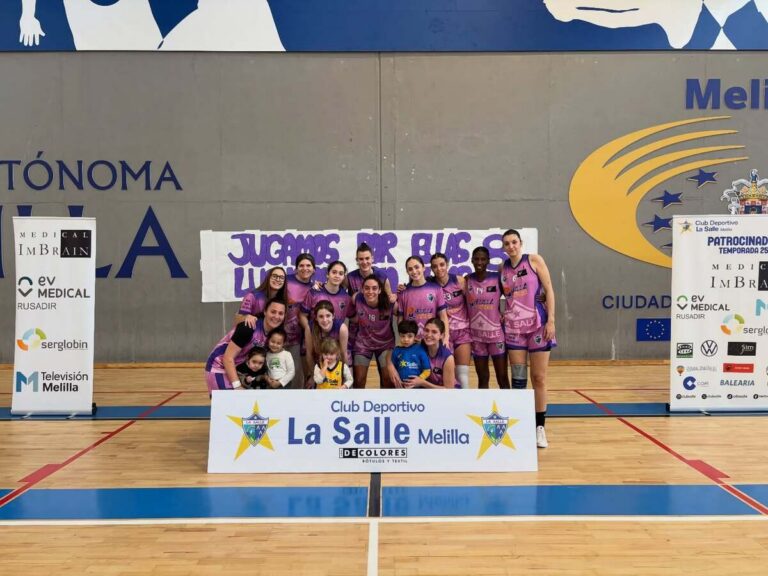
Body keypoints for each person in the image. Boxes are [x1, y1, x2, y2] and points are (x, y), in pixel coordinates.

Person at [500, 229, 556, 449]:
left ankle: (539, 427)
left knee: (538, 378)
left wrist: (551, 320)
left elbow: (549, 290)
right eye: (507, 243)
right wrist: (501, 313)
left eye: (514, 242)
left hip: (537, 326)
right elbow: (500, 296)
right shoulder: (502, 269)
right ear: (503, 247)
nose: (511, 246)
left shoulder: (533, 260)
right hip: (514, 329)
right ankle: (521, 426)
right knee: (519, 380)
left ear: (520, 243)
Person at [204, 298, 286, 393]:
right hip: (218, 367)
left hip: (236, 370)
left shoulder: (272, 335)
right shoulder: (249, 327)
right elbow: (227, 358)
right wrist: (237, 386)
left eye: (281, 313)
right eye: (273, 312)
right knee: (230, 401)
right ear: (265, 312)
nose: (276, 316)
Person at [466, 246, 509, 389]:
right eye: (476, 259)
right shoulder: (467, 280)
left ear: (488, 261)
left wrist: (505, 312)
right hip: (477, 338)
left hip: (496, 336)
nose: (479, 262)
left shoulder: (497, 278)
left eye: (483, 259)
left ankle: (507, 403)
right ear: (472, 260)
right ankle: (483, 404)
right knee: (483, 377)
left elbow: (514, 295)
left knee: (502, 376)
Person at [429, 253, 471, 389]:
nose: (439, 268)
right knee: (448, 376)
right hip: (443, 335)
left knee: (462, 375)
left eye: (442, 265)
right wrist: (402, 288)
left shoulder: (459, 281)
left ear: (447, 265)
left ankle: (465, 402)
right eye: (435, 266)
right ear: (431, 268)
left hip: (462, 331)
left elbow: (473, 303)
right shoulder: (429, 284)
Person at [349, 276, 395, 389]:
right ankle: (358, 400)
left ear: (379, 290)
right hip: (363, 344)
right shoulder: (356, 298)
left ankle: (386, 400)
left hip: (385, 344)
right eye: (367, 288)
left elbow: (403, 315)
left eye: (374, 288)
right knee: (359, 379)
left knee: (388, 379)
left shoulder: (390, 302)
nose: (370, 291)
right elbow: (349, 315)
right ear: (362, 289)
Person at [396, 255, 449, 345]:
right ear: (407, 272)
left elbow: (443, 316)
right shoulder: (403, 292)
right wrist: (406, 337)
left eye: (417, 267)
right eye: (410, 269)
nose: (414, 271)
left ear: (423, 268)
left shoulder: (436, 289)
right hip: (412, 342)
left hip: (431, 341)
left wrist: (446, 337)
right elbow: (400, 319)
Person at [391, 317, 457, 389]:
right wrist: (391, 368)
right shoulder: (418, 346)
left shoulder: (447, 358)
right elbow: (396, 352)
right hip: (422, 390)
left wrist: (422, 382)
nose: (429, 335)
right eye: (426, 330)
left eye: (434, 332)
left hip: (444, 393)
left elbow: (449, 389)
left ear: (442, 335)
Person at [284, 253, 316, 386]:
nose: (305, 268)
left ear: (314, 269)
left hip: (297, 338)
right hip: (278, 334)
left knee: (296, 375)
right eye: (301, 265)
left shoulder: (314, 288)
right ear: (296, 268)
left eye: (308, 265)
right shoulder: (285, 280)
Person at [306, 300, 349, 385]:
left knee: (346, 385)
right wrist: (313, 375)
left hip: (338, 363)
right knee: (312, 385)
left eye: (328, 316)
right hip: (318, 364)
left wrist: (343, 375)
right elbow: (309, 354)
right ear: (316, 318)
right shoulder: (310, 328)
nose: (325, 320)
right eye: (321, 316)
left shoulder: (342, 328)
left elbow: (344, 354)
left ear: (333, 316)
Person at [387, 320, 431, 386]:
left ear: (415, 336)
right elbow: (393, 370)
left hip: (417, 387)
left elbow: (427, 371)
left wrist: (418, 380)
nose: (406, 339)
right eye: (403, 336)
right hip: (401, 387)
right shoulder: (396, 350)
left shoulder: (420, 350)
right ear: (399, 335)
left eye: (410, 336)